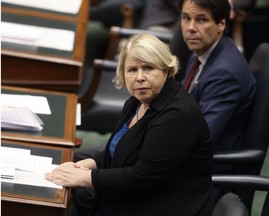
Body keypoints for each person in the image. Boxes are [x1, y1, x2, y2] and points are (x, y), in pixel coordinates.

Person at [45, 33, 213, 216]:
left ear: (165, 70)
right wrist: (90, 163)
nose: (139, 77)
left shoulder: (176, 116)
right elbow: (123, 149)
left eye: (148, 68)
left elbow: (142, 178)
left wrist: (86, 178)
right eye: (132, 70)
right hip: (131, 197)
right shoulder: (137, 101)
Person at [178, 0, 256, 199]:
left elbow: (199, 139)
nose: (191, 28)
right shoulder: (203, 52)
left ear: (221, 24)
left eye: (201, 20)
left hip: (197, 179)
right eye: (186, 18)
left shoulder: (224, 73)